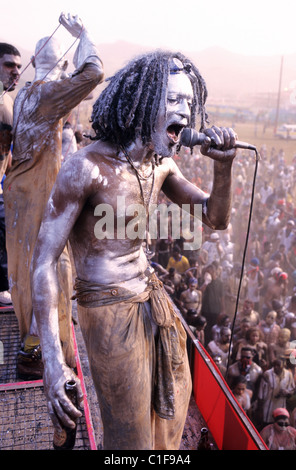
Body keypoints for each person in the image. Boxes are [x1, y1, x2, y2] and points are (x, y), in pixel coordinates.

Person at [31, 51, 238, 450]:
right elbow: (42, 261)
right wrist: (53, 363)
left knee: (174, 407)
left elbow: (215, 218)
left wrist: (223, 168)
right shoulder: (86, 167)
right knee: (131, 440)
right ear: (144, 101)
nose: (185, 112)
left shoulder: (161, 165)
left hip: (152, 298)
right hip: (106, 309)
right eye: (174, 101)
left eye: (189, 104)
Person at [3, 13, 104, 379]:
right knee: (48, 264)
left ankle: (34, 337)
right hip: (39, 196)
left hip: (18, 192)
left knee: (26, 264)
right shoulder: (48, 94)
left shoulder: (27, 93)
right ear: (61, 64)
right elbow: (92, 74)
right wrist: (84, 34)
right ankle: (41, 346)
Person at [0, 43, 21, 305]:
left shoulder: (8, 100)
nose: (16, 71)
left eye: (18, 65)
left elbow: (7, 151)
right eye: (9, 65)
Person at [257, 359, 295, 427]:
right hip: (267, 406)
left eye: (278, 365)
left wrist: (286, 392)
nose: (276, 367)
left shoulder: (288, 374)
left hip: (281, 405)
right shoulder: (267, 374)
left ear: (283, 366)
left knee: (279, 424)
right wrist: (260, 410)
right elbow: (261, 393)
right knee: (266, 424)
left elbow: (292, 389)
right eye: (274, 365)